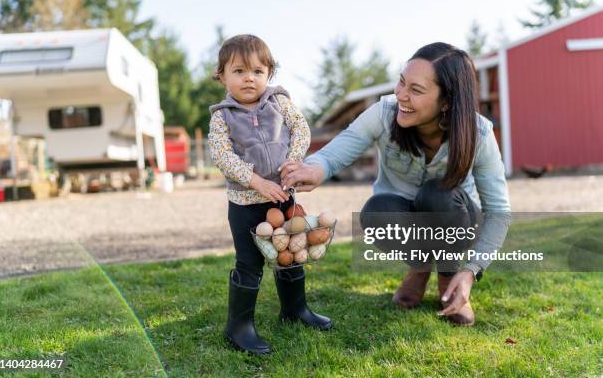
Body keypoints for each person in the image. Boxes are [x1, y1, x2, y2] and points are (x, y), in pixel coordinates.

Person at [280, 42, 511, 326]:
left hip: (459, 219)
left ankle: (449, 277)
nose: (401, 95)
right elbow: (338, 149)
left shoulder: (479, 134)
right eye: (402, 82)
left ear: (447, 101)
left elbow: (498, 211)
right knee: (377, 211)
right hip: (403, 214)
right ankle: (420, 267)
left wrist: (471, 270)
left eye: (416, 90)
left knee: (436, 195)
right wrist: (316, 169)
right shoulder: (384, 112)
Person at [208, 34, 332, 355]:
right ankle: (239, 328)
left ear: (269, 74)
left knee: (289, 253)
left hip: (282, 199)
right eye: (238, 71)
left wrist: (293, 160)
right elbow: (222, 155)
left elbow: (302, 129)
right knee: (249, 263)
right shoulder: (222, 116)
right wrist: (256, 181)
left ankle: (295, 310)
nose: (249, 78)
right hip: (246, 204)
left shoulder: (279, 102)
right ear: (222, 76)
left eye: (258, 71)